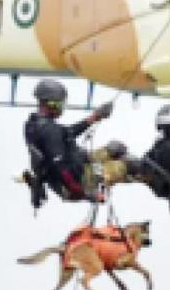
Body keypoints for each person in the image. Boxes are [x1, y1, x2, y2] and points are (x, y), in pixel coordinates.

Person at [21, 79, 123, 209]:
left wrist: (94, 117)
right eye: (60, 103)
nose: (62, 107)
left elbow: (66, 133)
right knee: (125, 165)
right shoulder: (50, 131)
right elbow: (63, 171)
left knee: (115, 148)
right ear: (52, 104)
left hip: (71, 171)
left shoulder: (33, 124)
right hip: (76, 182)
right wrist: (87, 194)